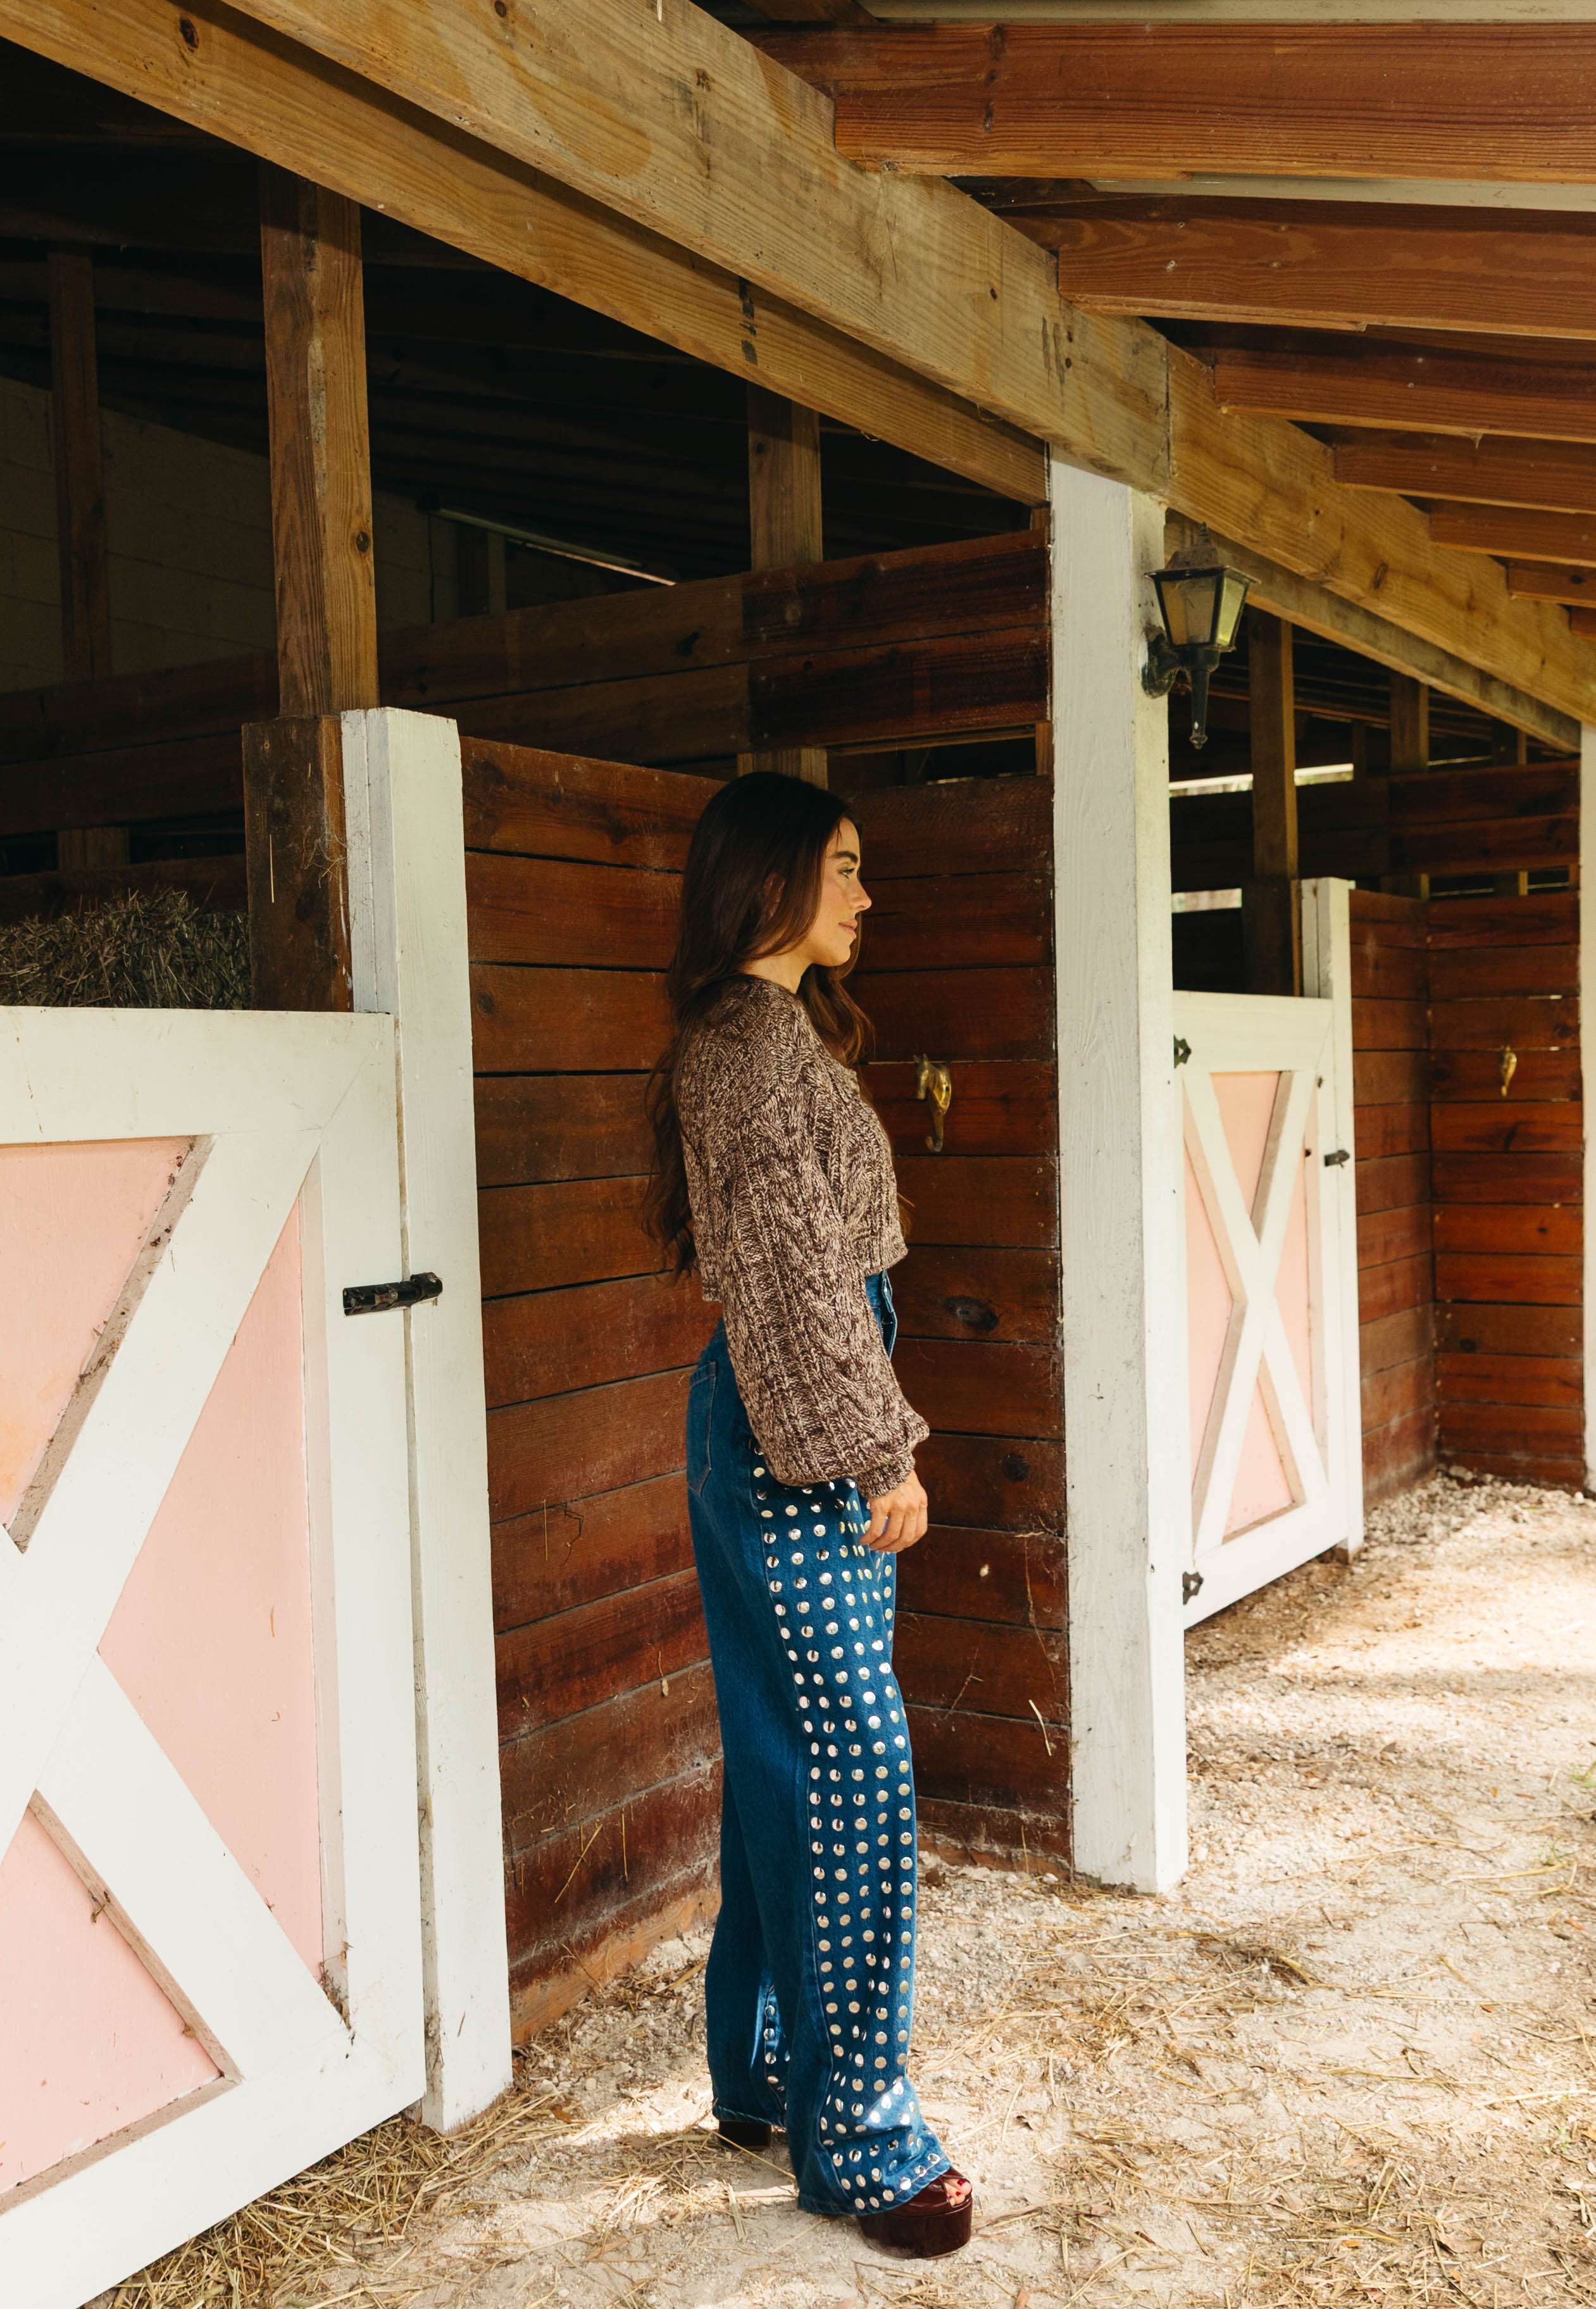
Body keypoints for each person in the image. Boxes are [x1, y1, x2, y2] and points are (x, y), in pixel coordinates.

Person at [645, 771, 973, 2259]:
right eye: (843, 867)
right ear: (769, 879)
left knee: (789, 1755)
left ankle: (763, 2068)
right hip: (801, 1433)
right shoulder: (751, 1047)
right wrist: (877, 1455)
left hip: (769, 1417)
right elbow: (793, 1283)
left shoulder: (754, 1036)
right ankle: (861, 2138)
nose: (864, 895)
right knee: (852, 1768)